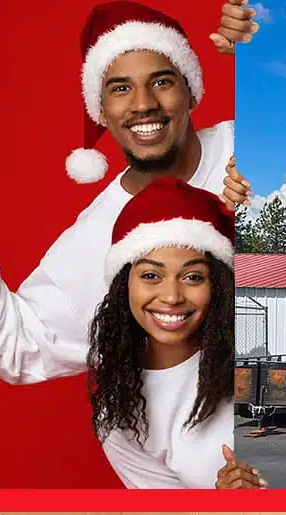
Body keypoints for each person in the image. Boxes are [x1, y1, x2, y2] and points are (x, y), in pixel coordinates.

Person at [0, 0, 258, 386]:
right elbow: (21, 345)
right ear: (101, 111)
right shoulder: (95, 238)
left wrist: (272, 40)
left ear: (192, 91)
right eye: (121, 88)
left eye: (162, 82)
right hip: (199, 437)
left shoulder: (254, 144)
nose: (143, 104)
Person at [88, 177, 265, 489]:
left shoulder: (249, 364)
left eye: (193, 276)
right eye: (151, 275)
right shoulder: (119, 409)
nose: (171, 297)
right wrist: (221, 506)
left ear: (217, 286)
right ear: (123, 284)